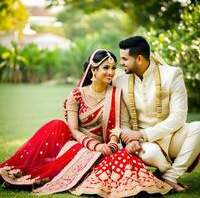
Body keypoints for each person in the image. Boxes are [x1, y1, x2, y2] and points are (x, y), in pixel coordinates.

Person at [0, 49, 171, 197]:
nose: (111, 72)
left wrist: (111, 144)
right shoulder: (76, 95)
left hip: (106, 147)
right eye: (106, 68)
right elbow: (73, 130)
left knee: (123, 159)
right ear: (93, 70)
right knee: (55, 125)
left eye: (113, 67)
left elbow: (118, 127)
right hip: (78, 144)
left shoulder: (116, 95)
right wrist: (95, 146)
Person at [113, 35, 200, 193]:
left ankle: (170, 177)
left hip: (170, 137)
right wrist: (126, 139)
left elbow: (179, 118)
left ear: (139, 59)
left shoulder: (172, 74)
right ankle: (166, 172)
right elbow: (122, 121)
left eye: (124, 59)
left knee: (198, 128)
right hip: (144, 144)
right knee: (150, 153)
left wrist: (142, 134)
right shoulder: (120, 81)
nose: (121, 63)